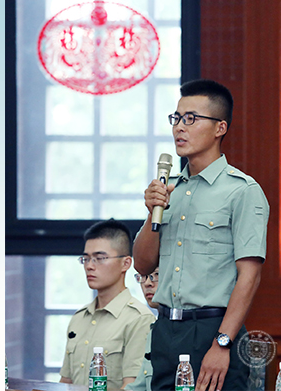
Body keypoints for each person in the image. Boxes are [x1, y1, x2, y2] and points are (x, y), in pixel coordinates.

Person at [133, 79, 269, 391]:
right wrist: (153, 211)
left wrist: (222, 343)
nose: (179, 127)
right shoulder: (170, 189)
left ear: (220, 127)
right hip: (165, 330)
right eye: (176, 118)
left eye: (191, 118)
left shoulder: (242, 191)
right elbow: (143, 264)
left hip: (212, 330)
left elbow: (249, 276)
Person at [60, 219, 155, 389]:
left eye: (100, 258)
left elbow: (132, 387)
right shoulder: (79, 318)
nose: (89, 266)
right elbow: (65, 383)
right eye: (86, 259)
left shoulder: (139, 319)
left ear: (126, 263)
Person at [124, 268, 159, 391]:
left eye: (157, 274)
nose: (147, 283)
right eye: (144, 276)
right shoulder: (155, 330)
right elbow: (137, 388)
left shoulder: (142, 318)